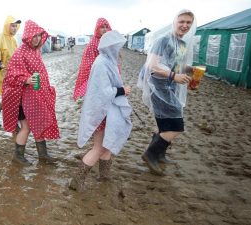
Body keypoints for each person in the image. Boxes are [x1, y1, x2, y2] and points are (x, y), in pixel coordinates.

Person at [69, 30, 132, 192]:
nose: (118, 50)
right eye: (116, 46)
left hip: (108, 112)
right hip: (102, 113)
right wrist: (122, 90)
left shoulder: (108, 61)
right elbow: (103, 92)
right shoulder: (102, 63)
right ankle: (77, 179)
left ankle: (104, 176)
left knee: (108, 146)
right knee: (99, 147)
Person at [137, 10, 196, 175]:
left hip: (171, 86)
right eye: (182, 21)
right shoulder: (162, 40)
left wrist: (189, 71)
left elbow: (176, 66)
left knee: (164, 124)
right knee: (177, 126)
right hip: (159, 87)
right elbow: (152, 66)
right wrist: (173, 76)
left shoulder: (182, 44)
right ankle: (151, 154)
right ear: (175, 22)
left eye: (188, 23)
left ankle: (160, 154)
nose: (185, 25)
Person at [2, 20, 60, 165]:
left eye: (39, 35)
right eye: (34, 36)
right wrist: (26, 80)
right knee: (26, 128)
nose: (37, 39)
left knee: (39, 124)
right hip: (20, 99)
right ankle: (18, 155)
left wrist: (46, 88)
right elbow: (10, 76)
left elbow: (40, 72)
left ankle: (43, 155)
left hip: (35, 97)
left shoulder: (36, 51)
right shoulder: (20, 52)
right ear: (28, 36)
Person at [0, 16, 21, 127]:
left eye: (16, 26)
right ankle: (14, 124)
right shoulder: (0, 39)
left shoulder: (14, 40)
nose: (14, 28)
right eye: (12, 25)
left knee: (11, 98)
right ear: (7, 26)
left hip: (14, 75)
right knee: (11, 99)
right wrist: (1, 66)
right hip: (4, 76)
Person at [73, 18, 112, 101]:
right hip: (97, 76)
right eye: (102, 27)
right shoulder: (93, 43)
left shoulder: (108, 41)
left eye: (106, 27)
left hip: (108, 74)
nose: (105, 29)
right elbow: (88, 64)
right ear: (97, 28)